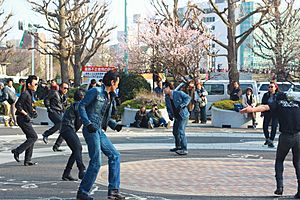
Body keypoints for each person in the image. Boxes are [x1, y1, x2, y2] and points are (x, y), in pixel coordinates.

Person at [240, 92, 300, 199]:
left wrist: (251, 110)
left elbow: (265, 107)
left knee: (279, 160)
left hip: (286, 136)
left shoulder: (278, 104)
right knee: (298, 162)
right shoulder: (296, 103)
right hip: (298, 136)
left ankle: (280, 187)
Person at [76, 70, 125, 200]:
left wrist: (114, 125)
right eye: (117, 83)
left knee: (115, 155)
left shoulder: (110, 96)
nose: (118, 86)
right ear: (112, 82)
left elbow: (103, 116)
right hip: (91, 130)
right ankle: (83, 192)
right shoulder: (95, 92)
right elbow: (81, 106)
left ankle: (113, 191)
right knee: (96, 162)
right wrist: (87, 123)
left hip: (99, 130)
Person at [11, 75, 39, 166]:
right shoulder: (25, 94)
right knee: (33, 137)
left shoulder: (30, 93)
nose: (36, 85)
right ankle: (17, 151)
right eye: (35, 84)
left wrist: (32, 111)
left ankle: (27, 160)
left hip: (25, 118)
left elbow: (26, 106)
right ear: (29, 84)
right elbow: (17, 106)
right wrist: (26, 114)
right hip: (22, 119)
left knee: (30, 137)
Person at [60, 89, 86, 181]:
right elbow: (79, 122)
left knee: (76, 150)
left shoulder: (75, 104)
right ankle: (81, 169)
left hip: (66, 129)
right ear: (82, 97)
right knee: (78, 148)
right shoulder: (79, 105)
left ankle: (66, 173)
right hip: (68, 128)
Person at [163, 81, 191, 156]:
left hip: (183, 116)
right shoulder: (167, 98)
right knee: (175, 131)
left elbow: (188, 98)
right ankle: (178, 146)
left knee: (181, 131)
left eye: (165, 89)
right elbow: (168, 108)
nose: (164, 91)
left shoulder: (178, 93)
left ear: (168, 88)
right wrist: (170, 115)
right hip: (176, 116)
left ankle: (184, 149)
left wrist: (182, 105)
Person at [42, 82, 69, 152]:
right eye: (64, 88)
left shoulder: (64, 96)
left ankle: (56, 146)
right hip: (53, 112)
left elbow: (65, 105)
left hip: (60, 113)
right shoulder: (54, 93)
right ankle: (46, 134)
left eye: (67, 88)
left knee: (65, 128)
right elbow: (46, 99)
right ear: (60, 88)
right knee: (60, 123)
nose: (66, 90)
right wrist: (48, 107)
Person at [261, 81, 279, 148]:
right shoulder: (266, 95)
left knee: (274, 127)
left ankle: (271, 140)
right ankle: (267, 138)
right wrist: (262, 112)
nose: (270, 88)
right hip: (267, 112)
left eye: (272, 87)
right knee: (265, 126)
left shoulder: (278, 95)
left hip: (275, 113)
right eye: (269, 87)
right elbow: (263, 103)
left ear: (275, 88)